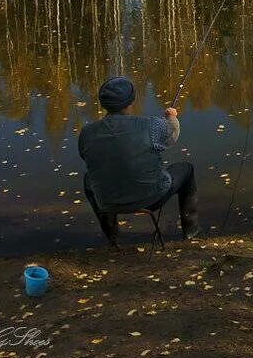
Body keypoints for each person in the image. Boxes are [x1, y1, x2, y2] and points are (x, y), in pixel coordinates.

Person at [78, 76, 200, 243]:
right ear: (132, 101)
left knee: (88, 179)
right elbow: (172, 134)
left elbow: (87, 156)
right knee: (187, 169)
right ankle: (192, 231)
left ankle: (112, 236)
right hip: (153, 197)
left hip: (108, 202)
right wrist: (171, 116)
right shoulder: (150, 125)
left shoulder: (86, 133)